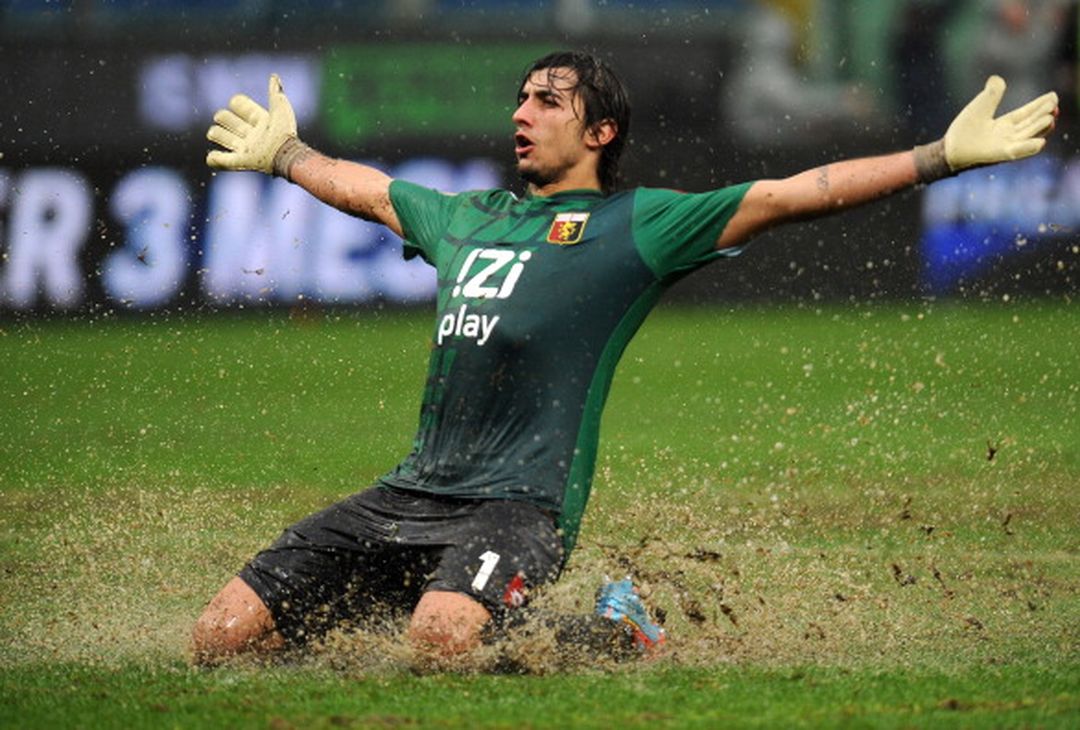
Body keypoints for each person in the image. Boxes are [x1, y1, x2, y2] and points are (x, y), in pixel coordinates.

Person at [191, 50, 1058, 667]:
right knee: (218, 641)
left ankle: (610, 633)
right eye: (521, 97)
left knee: (439, 646)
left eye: (547, 102)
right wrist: (289, 156)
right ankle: (417, 603)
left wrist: (939, 157)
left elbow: (791, 195)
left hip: (516, 508)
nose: (521, 114)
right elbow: (372, 189)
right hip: (409, 492)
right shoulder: (468, 217)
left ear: (600, 131)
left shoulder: (637, 225)